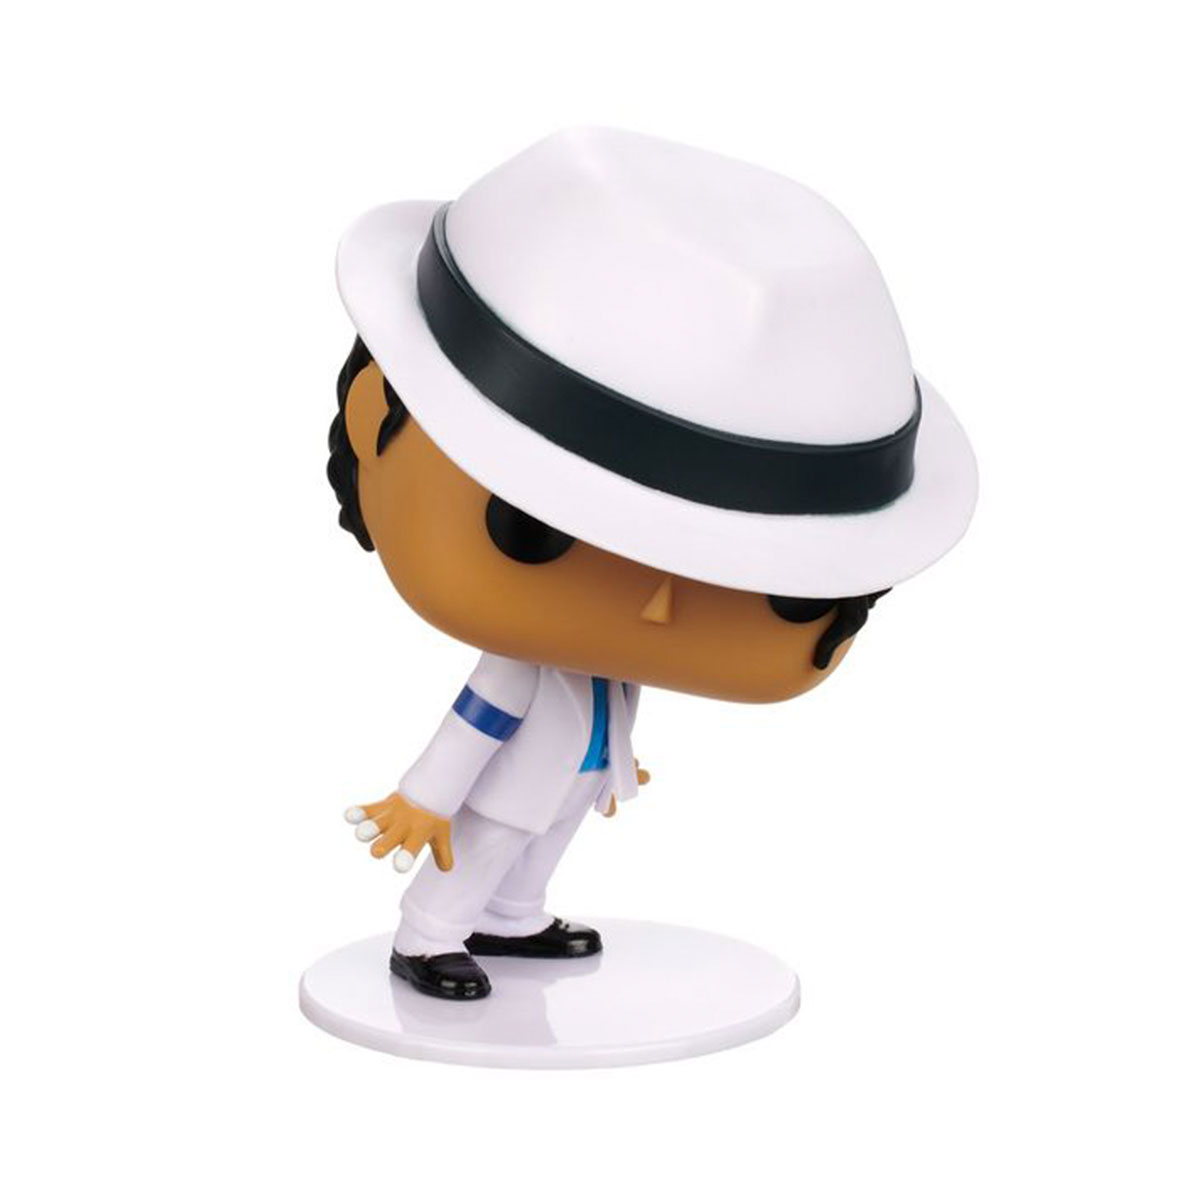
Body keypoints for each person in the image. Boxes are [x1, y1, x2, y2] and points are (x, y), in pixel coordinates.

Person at [327, 128, 977, 999]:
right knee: (488, 843)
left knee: (539, 845)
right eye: (540, 527)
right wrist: (424, 796)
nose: (660, 605)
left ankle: (512, 917)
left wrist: (614, 757)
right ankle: (430, 934)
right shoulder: (524, 659)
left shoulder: (596, 656)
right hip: (515, 783)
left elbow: (612, 695)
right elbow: (478, 716)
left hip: (571, 774)